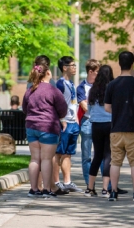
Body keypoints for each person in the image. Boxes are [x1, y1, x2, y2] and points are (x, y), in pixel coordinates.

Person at [104, 51, 134, 202]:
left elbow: (107, 107)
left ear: (119, 63)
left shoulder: (112, 85)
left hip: (116, 128)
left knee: (115, 162)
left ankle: (113, 192)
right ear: (132, 64)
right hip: (133, 129)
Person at [22, 58, 68, 198]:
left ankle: (33, 189)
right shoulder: (53, 91)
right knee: (47, 159)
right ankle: (47, 189)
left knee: (35, 159)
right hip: (48, 127)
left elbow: (25, 109)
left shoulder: (30, 90)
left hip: (31, 126)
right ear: (48, 73)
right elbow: (63, 110)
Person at [52, 56, 82, 194]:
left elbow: (73, 103)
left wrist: (76, 118)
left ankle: (67, 182)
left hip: (73, 122)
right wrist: (62, 119)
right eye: (72, 65)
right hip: (64, 123)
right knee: (59, 153)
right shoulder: (60, 84)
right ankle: (56, 183)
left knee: (68, 153)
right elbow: (57, 103)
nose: (75, 67)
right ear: (65, 67)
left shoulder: (71, 84)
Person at [84, 65, 113, 197]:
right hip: (110, 123)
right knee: (108, 156)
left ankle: (90, 188)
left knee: (97, 156)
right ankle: (105, 189)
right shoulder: (112, 89)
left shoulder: (93, 90)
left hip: (96, 124)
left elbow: (89, 110)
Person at [77, 59, 100, 187]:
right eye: (97, 72)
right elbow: (84, 106)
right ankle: (89, 184)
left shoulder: (101, 86)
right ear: (90, 72)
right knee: (86, 156)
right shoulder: (81, 87)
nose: (99, 74)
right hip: (87, 122)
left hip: (100, 122)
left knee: (102, 154)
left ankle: (107, 185)